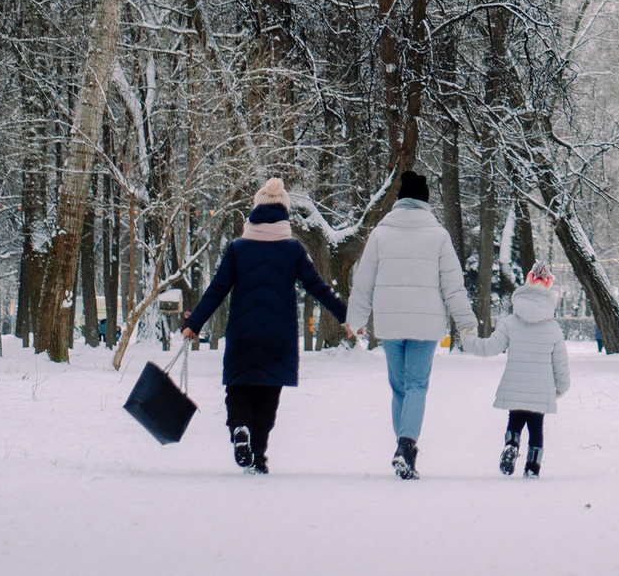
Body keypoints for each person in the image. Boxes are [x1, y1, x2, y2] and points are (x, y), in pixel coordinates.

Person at [181, 177, 354, 476]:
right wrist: (346, 316)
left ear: (255, 212)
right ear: (284, 214)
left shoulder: (238, 249)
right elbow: (318, 287)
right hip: (279, 335)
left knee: (238, 388)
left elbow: (217, 289)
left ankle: (239, 430)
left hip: (243, 333)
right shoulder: (293, 250)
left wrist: (194, 324)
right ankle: (258, 456)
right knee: (268, 396)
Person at [346, 169, 477, 479]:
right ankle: (406, 447)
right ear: (425, 201)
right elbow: (453, 287)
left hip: (390, 323)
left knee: (399, 389)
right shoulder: (439, 236)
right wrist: (467, 323)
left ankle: (404, 448)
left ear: (400, 200)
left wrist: (355, 319)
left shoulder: (380, 233)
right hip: (426, 324)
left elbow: (363, 282)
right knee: (417, 385)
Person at [473, 264, 570, 476]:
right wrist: (562, 387)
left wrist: (469, 341)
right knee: (536, 428)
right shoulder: (553, 328)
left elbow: (491, 347)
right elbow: (561, 363)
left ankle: (512, 444)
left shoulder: (510, 322)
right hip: (540, 389)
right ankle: (532, 467)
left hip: (515, 384)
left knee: (515, 420)